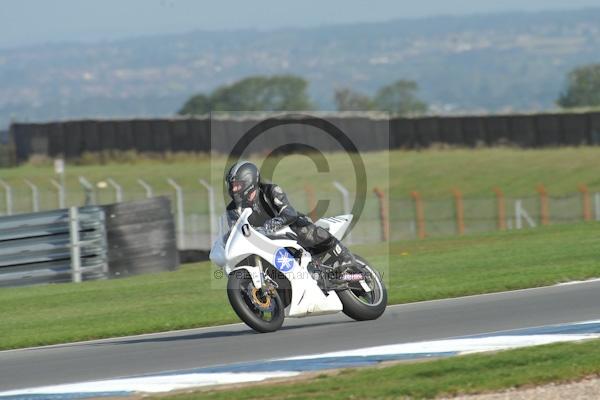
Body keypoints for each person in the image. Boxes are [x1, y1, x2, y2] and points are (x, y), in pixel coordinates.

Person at [224, 161, 354, 285]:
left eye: (237, 185)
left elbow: (290, 212)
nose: (234, 189)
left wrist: (273, 223)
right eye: (232, 185)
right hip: (266, 240)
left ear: (249, 180)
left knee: (303, 228)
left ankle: (345, 256)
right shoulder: (233, 209)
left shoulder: (270, 191)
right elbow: (236, 231)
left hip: (289, 228)